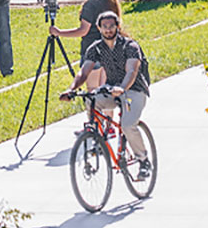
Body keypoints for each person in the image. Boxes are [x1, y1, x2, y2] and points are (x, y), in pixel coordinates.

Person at [59, 11, 153, 178]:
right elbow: (84, 72)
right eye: (105, 27)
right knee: (91, 100)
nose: (108, 30)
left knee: (128, 125)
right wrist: (71, 89)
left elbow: (132, 71)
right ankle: (97, 135)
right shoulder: (96, 48)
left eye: (111, 26)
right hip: (112, 90)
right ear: (99, 28)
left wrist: (122, 88)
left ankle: (143, 160)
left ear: (118, 26)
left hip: (134, 90)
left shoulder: (130, 46)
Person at [49, 0, 120, 91]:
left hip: (92, 51)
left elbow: (83, 30)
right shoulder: (111, 3)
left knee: (93, 92)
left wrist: (59, 32)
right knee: (106, 91)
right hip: (110, 49)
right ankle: (108, 110)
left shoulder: (90, 6)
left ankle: (93, 111)